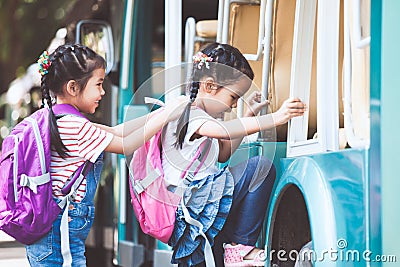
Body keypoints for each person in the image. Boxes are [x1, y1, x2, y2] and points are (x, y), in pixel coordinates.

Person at [25, 44, 188, 267]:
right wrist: (167, 115)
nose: (102, 92)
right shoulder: (75, 127)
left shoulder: (60, 120)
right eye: (99, 84)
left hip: (56, 229)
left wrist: (162, 113)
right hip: (61, 229)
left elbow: (116, 131)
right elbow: (125, 144)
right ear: (73, 87)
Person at [161, 43, 306, 267]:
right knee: (259, 169)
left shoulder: (203, 119)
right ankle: (240, 247)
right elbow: (223, 131)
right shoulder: (185, 110)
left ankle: (235, 252)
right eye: (233, 97)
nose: (233, 105)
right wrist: (276, 118)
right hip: (192, 206)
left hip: (199, 208)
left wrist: (249, 115)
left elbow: (223, 154)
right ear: (209, 86)